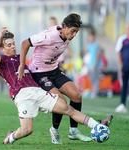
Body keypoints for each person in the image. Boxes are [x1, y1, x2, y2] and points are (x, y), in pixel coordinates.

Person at [0, 27, 113, 144]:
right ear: (2, 48)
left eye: (13, 43)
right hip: (22, 95)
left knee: (67, 108)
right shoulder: (1, 61)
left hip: (38, 91)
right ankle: (11, 137)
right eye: (9, 45)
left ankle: (97, 126)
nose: (13, 46)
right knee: (27, 130)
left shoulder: (21, 58)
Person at [18, 13, 91, 144]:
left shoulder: (66, 36)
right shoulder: (49, 36)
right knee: (61, 101)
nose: (74, 35)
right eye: (73, 31)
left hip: (54, 70)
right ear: (65, 27)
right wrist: (22, 66)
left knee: (76, 96)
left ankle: (73, 131)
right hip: (39, 73)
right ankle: (55, 130)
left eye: (77, 32)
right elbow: (25, 43)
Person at [85, 30, 103, 99]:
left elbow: (98, 54)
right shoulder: (88, 45)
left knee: (95, 78)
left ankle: (96, 92)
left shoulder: (96, 44)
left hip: (95, 65)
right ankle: (93, 90)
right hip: (89, 64)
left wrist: (95, 64)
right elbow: (87, 54)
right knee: (91, 78)